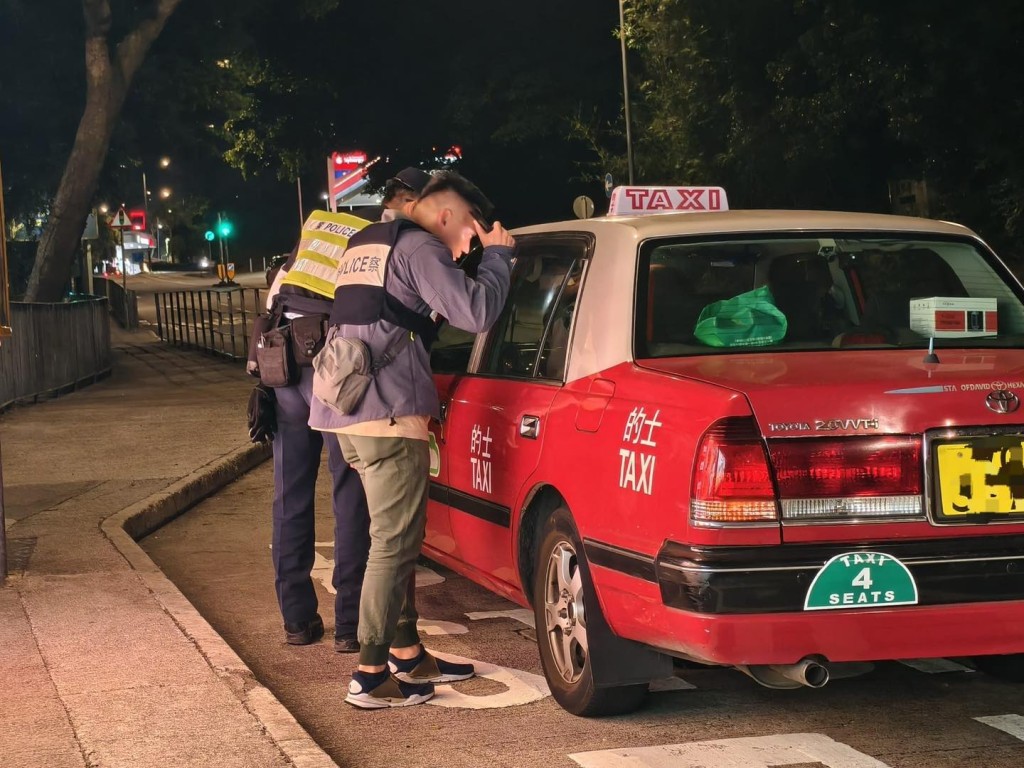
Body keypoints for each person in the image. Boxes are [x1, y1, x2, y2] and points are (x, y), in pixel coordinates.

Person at [309, 171, 516, 708]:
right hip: (388, 416)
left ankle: (406, 652)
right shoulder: (423, 246)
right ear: (447, 216)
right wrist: (496, 258)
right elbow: (474, 313)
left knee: (391, 542)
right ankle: (371, 673)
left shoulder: (364, 242)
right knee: (394, 544)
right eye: (468, 236)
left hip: (342, 411)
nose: (465, 249)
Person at [256, 168, 433, 652]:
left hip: (282, 372)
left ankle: (297, 621)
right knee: (350, 494)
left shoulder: (303, 249)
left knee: (289, 499)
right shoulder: (371, 251)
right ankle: (351, 626)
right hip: (336, 376)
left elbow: (269, 307)